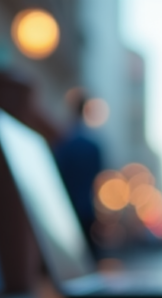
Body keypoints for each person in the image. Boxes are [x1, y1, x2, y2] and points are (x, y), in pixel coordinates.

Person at [53, 95, 104, 258]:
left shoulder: (63, 142)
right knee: (87, 255)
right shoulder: (92, 145)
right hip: (86, 208)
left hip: (67, 207)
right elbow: (97, 179)